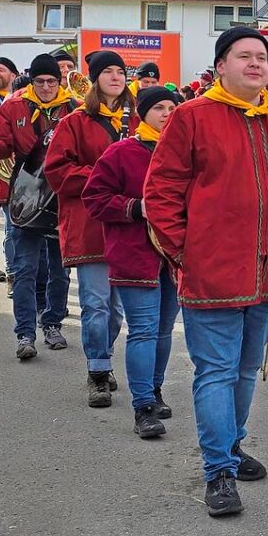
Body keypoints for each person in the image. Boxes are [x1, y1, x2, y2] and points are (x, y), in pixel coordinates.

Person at [144, 26, 268, 517]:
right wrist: (187, 252)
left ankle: (233, 445)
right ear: (221, 65)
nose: (256, 64)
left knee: (246, 369)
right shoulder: (190, 117)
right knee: (217, 372)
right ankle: (217, 469)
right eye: (244, 56)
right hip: (212, 270)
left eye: (262, 57)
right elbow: (160, 194)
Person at [82, 86, 181, 438]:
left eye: (173, 107)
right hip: (134, 254)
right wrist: (136, 207)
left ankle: (155, 390)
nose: (168, 113)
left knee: (164, 331)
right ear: (144, 113)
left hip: (175, 256)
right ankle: (142, 408)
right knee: (143, 330)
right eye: (160, 108)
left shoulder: (187, 152)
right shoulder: (122, 151)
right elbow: (94, 198)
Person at [45, 50, 138, 408]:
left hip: (128, 226)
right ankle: (98, 371)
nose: (116, 77)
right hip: (90, 225)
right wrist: (103, 178)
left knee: (115, 311)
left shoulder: (136, 120)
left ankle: (104, 357)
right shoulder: (75, 122)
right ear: (95, 78)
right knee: (96, 305)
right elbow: (57, 171)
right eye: (108, 72)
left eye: (121, 71)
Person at [0, 54, 76, 359]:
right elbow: (2, 143)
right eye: (40, 81)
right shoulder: (13, 106)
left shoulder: (73, 107)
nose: (47, 87)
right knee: (25, 268)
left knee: (60, 270)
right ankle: (25, 333)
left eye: (52, 81)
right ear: (31, 80)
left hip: (61, 197)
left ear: (59, 81)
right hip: (25, 195)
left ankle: (52, 323)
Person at [0, 57, 19, 283]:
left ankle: (12, 273)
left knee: (11, 227)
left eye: (0, 69)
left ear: (13, 76)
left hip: (12, 176)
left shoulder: (20, 102)